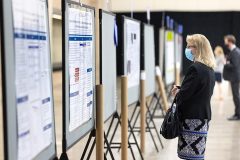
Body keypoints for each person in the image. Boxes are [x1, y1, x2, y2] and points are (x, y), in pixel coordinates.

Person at [171, 34, 215, 160]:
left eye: (190, 46)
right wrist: (182, 88)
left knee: (190, 156)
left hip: (192, 119)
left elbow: (185, 95)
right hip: (203, 117)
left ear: (199, 48)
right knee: (197, 155)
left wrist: (178, 92)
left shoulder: (195, 68)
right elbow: (199, 91)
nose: (187, 49)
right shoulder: (209, 69)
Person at [224, 35, 240, 120]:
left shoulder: (235, 51)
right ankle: (237, 114)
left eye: (226, 40)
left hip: (235, 78)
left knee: (236, 96)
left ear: (230, 41)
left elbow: (235, 65)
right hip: (234, 77)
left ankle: (238, 115)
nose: (225, 42)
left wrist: (226, 64)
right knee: (235, 96)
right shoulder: (233, 51)